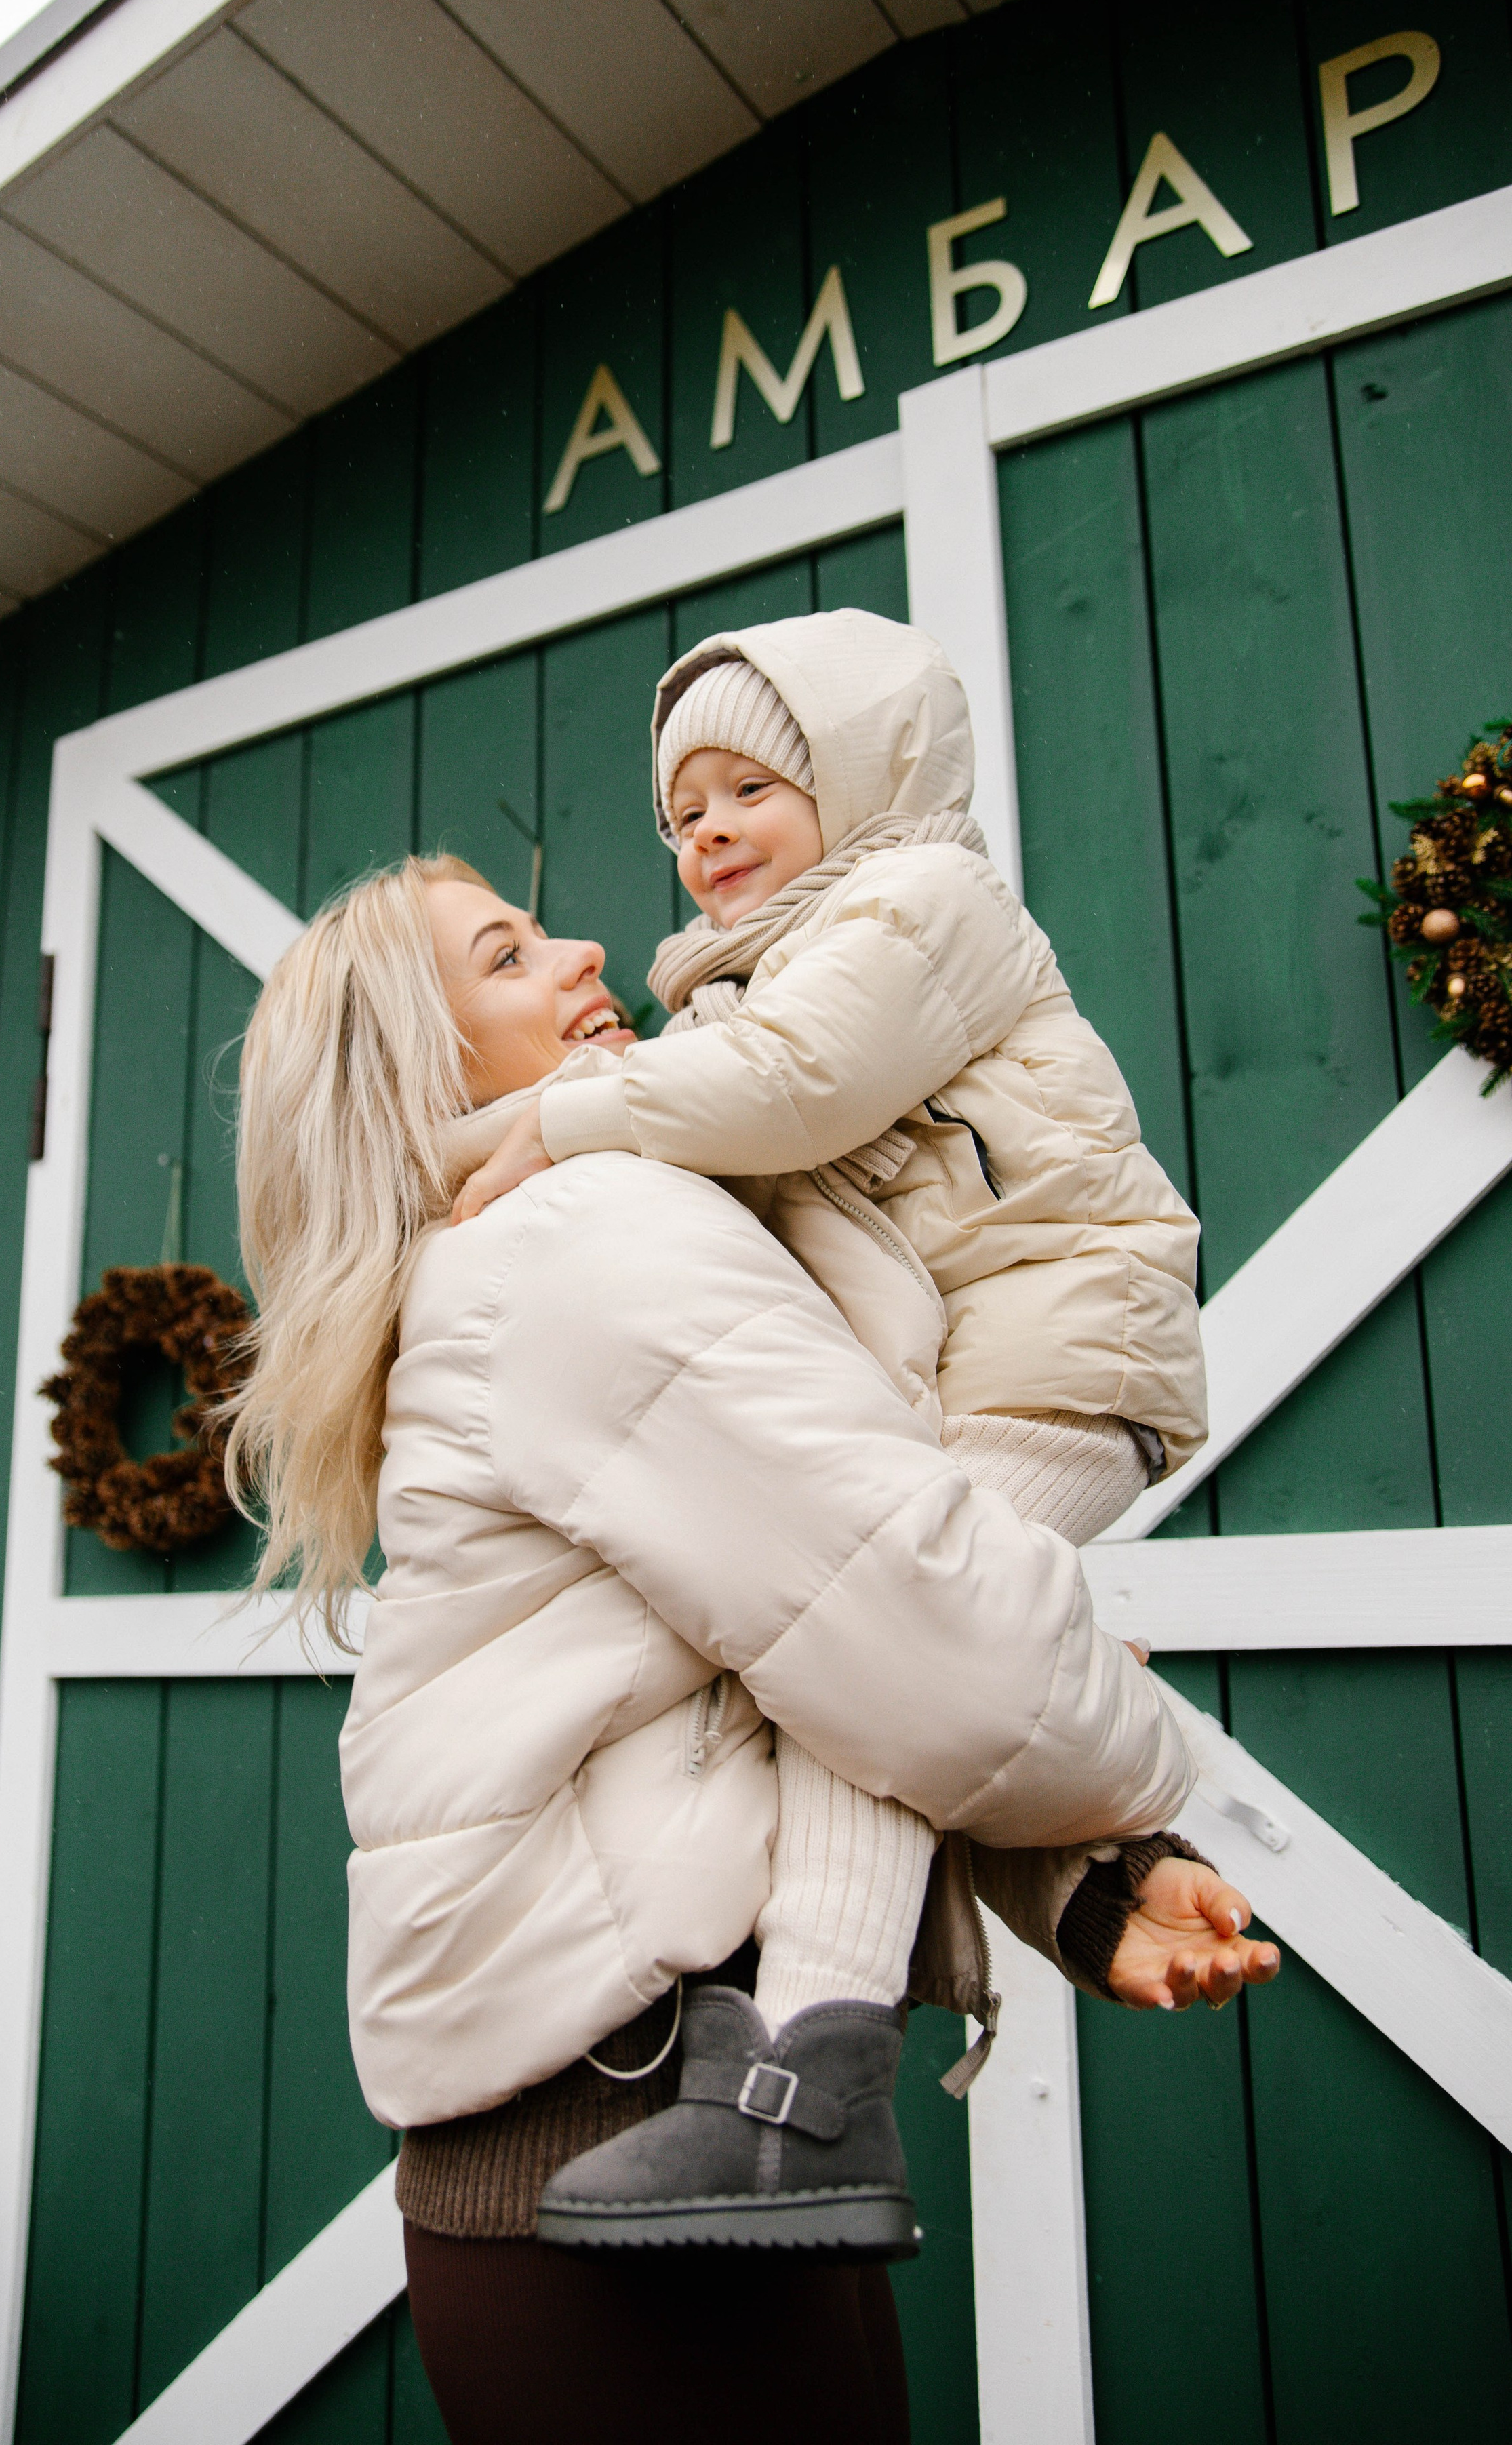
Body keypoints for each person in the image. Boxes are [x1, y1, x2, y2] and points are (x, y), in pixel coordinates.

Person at [228, 856, 1276, 2442]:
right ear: (422, 1072)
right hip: (631, 2169)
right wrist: (1143, 1759)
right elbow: (927, 1631)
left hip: (695, 2152)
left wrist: (1079, 1879)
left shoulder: (570, 1232)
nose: (586, 943)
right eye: (506, 954)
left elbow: (783, 1673)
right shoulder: (573, 1238)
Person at [449, 612, 1241, 2246]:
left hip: (1056, 1354)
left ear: (862, 776)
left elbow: (794, 1087)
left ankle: (803, 2088)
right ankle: (875, 2025)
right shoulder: (751, 982)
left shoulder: (916, 906)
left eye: (749, 788)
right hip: (974, 1371)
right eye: (680, 817)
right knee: (864, 1640)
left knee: (857, 1637)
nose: (706, 835)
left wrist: (552, 1113)